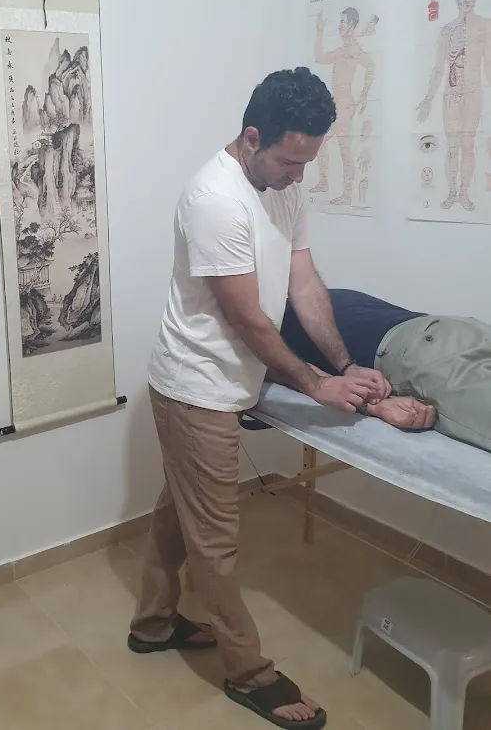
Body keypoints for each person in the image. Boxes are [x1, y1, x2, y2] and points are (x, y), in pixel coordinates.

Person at [129, 68, 390, 730]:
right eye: (290, 161)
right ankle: (248, 674)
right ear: (252, 138)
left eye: (307, 162)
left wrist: (344, 364)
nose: (299, 176)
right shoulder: (214, 199)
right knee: (215, 540)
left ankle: (152, 624)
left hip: (225, 380)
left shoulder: (283, 186)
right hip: (195, 388)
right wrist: (315, 384)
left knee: (180, 510)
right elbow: (246, 318)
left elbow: (304, 283)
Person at [280, 288, 491, 451]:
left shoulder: (274, 330)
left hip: (421, 354)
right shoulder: (330, 294)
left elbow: (296, 375)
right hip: (460, 329)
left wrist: (374, 406)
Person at [416, 0, 491, 212]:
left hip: (473, 93)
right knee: (452, 147)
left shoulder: (485, 25)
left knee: (468, 146)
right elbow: (438, 68)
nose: (466, 0)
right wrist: (428, 98)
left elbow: (489, 64)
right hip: (451, 96)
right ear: (456, 0)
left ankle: (464, 194)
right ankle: (451, 193)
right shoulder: (447, 30)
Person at [311, 7, 376, 206]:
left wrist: (364, 93)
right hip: (336, 104)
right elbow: (319, 58)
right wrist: (320, 32)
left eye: (343, 22)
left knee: (344, 149)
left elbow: (370, 65)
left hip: (345, 105)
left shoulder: (353, 49)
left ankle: (347, 194)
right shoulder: (342, 50)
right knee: (321, 141)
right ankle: (324, 182)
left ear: (351, 25)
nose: (339, 26)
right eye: (339, 21)